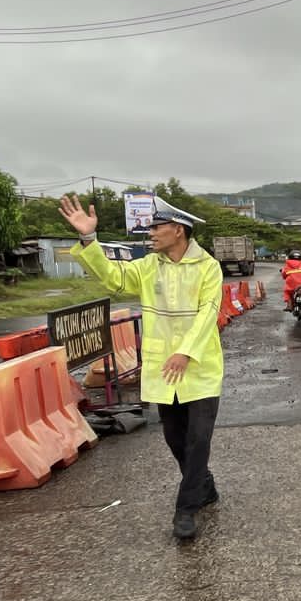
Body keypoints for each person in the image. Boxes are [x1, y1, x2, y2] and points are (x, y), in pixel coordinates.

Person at [59, 193, 224, 541]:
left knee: (198, 440)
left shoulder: (208, 267)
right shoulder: (149, 266)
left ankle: (186, 508)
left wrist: (185, 352)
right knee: (175, 438)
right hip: (163, 370)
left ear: (178, 230)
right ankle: (204, 484)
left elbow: (208, 312)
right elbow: (113, 278)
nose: (150, 233)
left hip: (200, 369)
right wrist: (89, 239)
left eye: (156, 227)